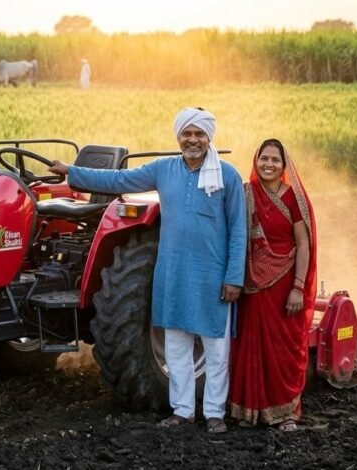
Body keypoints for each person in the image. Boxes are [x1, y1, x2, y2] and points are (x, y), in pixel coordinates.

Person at [48, 107, 247, 434]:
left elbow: (238, 230)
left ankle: (214, 413)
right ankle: (182, 410)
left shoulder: (227, 176)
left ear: (209, 136)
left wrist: (233, 278)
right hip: (172, 274)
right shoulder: (164, 169)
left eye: (199, 134)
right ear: (178, 136)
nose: (192, 139)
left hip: (212, 277)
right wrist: (72, 171)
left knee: (216, 351)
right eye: (187, 133)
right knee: (176, 348)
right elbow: (118, 180)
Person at [229, 139, 317, 432]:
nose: (268, 164)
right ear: (255, 161)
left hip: (284, 287)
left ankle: (285, 414)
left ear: (284, 166)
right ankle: (249, 412)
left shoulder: (293, 199)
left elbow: (303, 245)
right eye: (263, 158)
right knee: (249, 347)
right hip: (252, 285)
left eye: (275, 160)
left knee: (283, 349)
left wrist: (298, 287)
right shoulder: (246, 193)